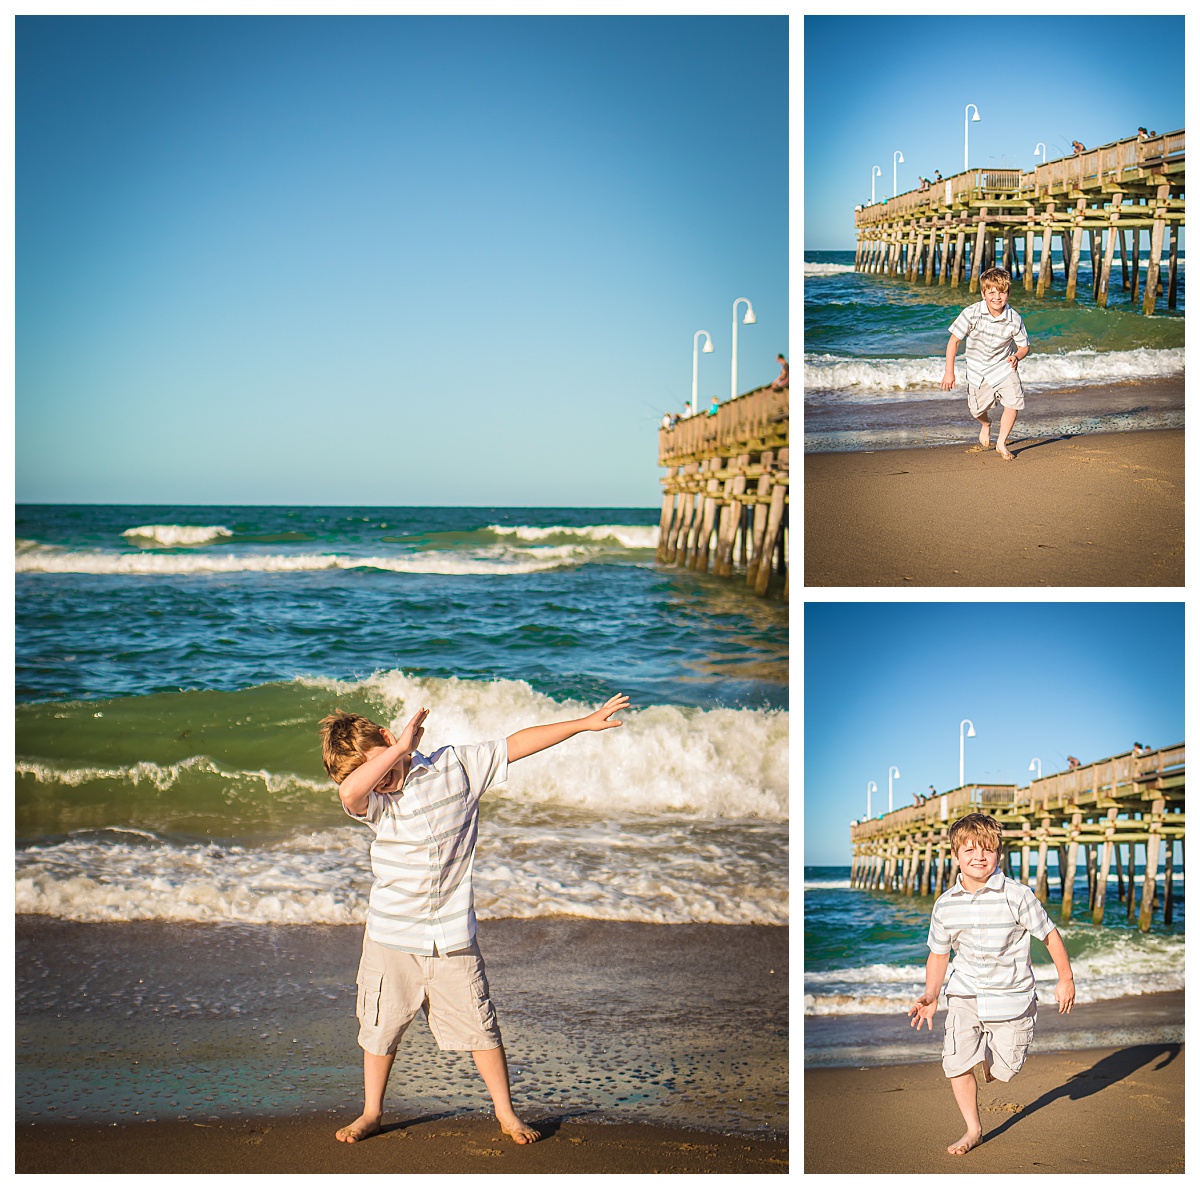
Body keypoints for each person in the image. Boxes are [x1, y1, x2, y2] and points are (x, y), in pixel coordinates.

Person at [319, 693, 630, 1147]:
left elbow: (515, 744)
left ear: (384, 736)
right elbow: (349, 792)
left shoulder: (456, 767)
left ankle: (506, 1113)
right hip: (390, 936)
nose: (381, 779)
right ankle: (371, 1112)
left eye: (381, 764)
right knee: (380, 1029)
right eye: (373, 772)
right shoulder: (377, 802)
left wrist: (582, 723)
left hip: (451, 936)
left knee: (481, 1026)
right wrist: (397, 750)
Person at [908, 813, 1075, 1156]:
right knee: (955, 1063)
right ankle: (973, 1129)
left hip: (1012, 997)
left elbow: (1049, 934)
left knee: (1005, 1070)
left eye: (987, 849)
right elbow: (938, 955)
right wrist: (931, 994)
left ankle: (990, 1059)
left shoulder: (1017, 895)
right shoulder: (945, 905)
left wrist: (1066, 978)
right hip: (964, 993)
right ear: (955, 855)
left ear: (999, 853)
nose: (979, 857)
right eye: (969, 850)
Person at [940, 266, 1030, 461]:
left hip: (1004, 366)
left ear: (1008, 294)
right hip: (977, 370)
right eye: (992, 293)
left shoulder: (1014, 318)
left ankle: (1001, 442)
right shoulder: (971, 313)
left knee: (1013, 402)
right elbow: (954, 341)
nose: (997, 297)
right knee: (977, 410)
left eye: (1002, 292)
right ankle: (986, 424)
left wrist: (1017, 356)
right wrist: (949, 372)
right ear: (983, 294)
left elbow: (1024, 346)